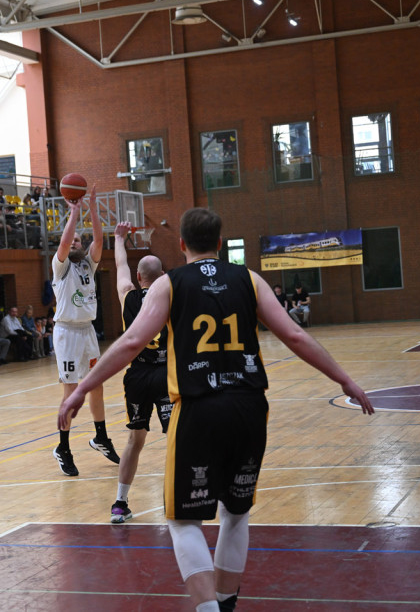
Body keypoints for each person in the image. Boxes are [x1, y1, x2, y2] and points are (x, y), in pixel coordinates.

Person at [59, 207, 373, 611]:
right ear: (221, 243)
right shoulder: (249, 279)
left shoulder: (169, 284)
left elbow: (133, 342)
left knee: (183, 521)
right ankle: (225, 604)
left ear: (182, 244)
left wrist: (83, 388)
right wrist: (344, 379)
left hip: (199, 409)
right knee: (236, 514)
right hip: (249, 407)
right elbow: (294, 334)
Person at [107, 221, 172, 524]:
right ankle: (177, 498)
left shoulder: (128, 297)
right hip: (166, 375)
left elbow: (120, 266)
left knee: (135, 441)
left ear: (138, 278)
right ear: (162, 276)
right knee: (178, 437)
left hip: (137, 376)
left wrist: (119, 239)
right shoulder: (170, 296)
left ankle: (120, 503)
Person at [50, 185, 116, 476]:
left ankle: (100, 436)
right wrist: (75, 212)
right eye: (72, 239)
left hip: (87, 331)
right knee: (71, 392)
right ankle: (62, 447)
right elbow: (64, 244)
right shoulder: (60, 266)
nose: (75, 242)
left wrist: (93, 206)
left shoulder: (88, 264)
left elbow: (100, 240)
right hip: (67, 333)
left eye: (79, 239)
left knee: (96, 386)